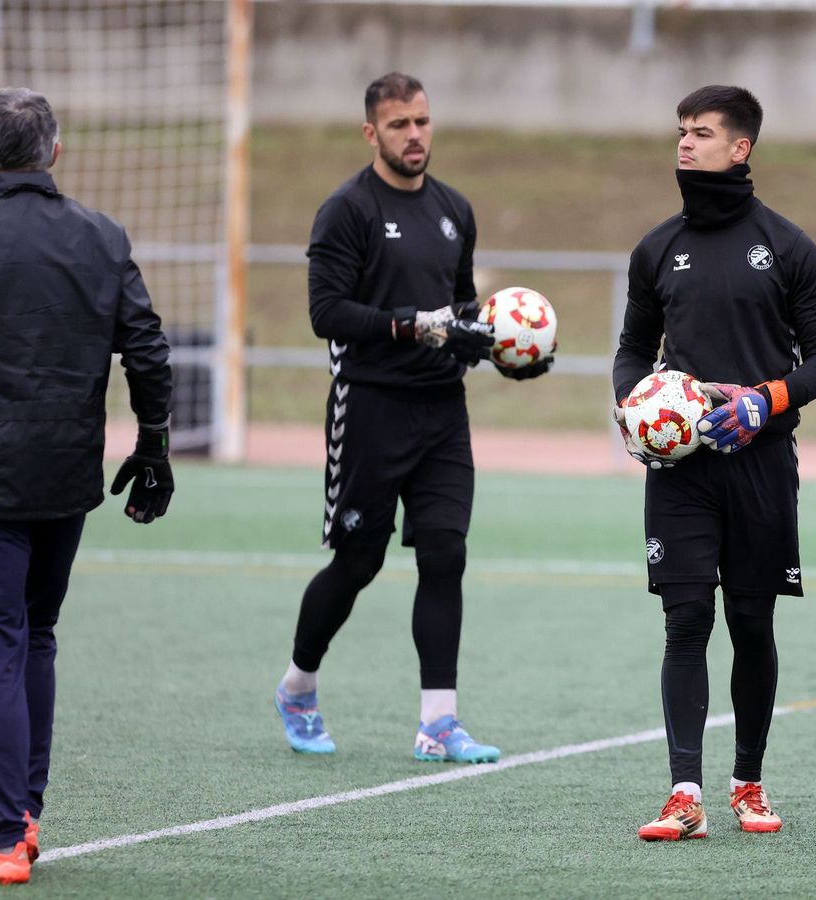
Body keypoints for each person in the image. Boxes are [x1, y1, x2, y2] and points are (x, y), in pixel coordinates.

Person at [273, 72, 549, 763]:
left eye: (422, 121)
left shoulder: (454, 209)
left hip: (442, 413)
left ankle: (438, 724)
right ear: (372, 133)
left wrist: (501, 350)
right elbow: (326, 313)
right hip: (368, 406)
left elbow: (459, 311)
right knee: (358, 561)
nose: (415, 135)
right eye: (399, 125)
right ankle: (298, 685)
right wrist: (413, 327)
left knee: (445, 555)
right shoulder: (347, 211)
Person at [611, 85, 816, 841]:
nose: (685, 143)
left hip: (762, 465)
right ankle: (684, 793)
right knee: (686, 620)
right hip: (680, 471)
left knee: (750, 619)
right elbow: (631, 351)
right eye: (680, 130)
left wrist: (764, 401)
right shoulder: (655, 248)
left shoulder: (788, 246)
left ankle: (748, 782)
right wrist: (632, 408)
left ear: (740, 147)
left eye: (701, 133)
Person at [0, 87, 173, 884]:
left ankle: (6, 833)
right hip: (68, 478)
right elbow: (148, 352)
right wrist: (155, 447)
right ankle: (27, 814)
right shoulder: (101, 235)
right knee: (36, 636)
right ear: (54, 153)